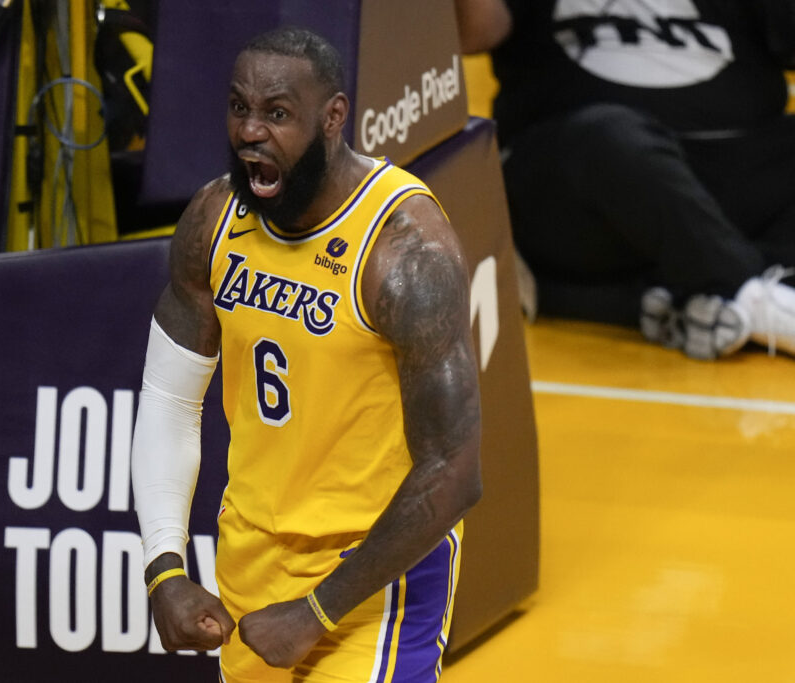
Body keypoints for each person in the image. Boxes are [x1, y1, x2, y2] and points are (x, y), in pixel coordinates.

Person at [130, 26, 483, 682]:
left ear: (333, 118)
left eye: (277, 114)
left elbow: (456, 467)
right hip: (251, 563)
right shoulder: (213, 220)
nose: (250, 132)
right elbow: (170, 399)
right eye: (239, 108)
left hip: (375, 579)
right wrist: (164, 568)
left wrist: (318, 611)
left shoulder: (404, 250)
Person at [455, 0, 795, 359]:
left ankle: (671, 298)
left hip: (729, 165)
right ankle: (754, 297)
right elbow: (470, 33)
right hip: (586, 175)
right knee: (611, 138)